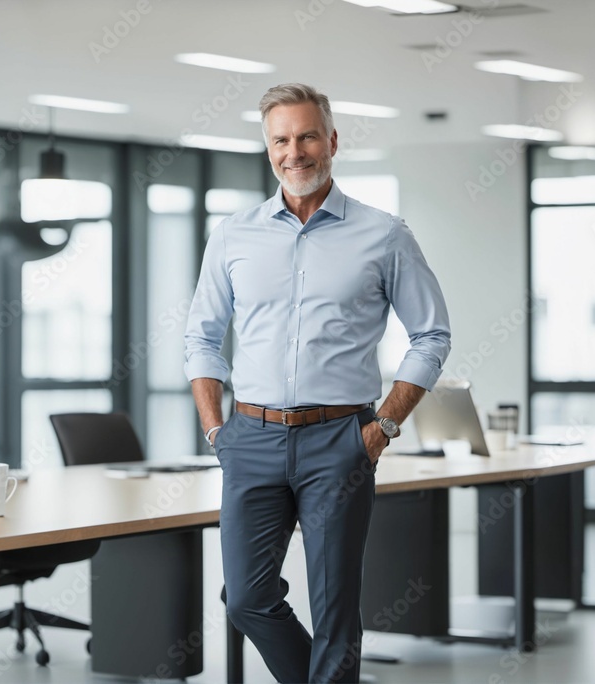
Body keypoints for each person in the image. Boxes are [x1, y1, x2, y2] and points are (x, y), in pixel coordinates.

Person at [184, 82, 451, 683]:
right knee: (247, 598)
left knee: (335, 611)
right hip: (249, 438)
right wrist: (215, 430)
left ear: (331, 140)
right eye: (281, 139)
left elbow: (431, 335)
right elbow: (201, 338)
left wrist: (381, 428)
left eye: (306, 136)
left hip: (341, 442)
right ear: (267, 147)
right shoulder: (232, 235)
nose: (294, 151)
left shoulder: (383, 234)